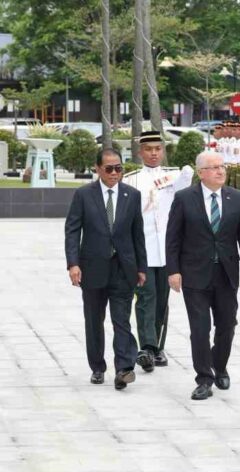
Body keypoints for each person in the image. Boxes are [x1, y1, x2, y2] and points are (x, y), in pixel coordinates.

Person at [165, 150, 240, 401]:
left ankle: (220, 366)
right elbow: (172, 238)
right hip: (194, 274)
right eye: (214, 167)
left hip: (226, 273)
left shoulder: (236, 198)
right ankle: (204, 378)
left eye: (222, 166)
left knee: (227, 325)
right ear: (201, 173)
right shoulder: (185, 198)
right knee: (199, 328)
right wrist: (172, 270)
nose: (220, 171)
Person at [65, 148, 148, 390]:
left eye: (119, 168)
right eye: (109, 168)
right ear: (98, 169)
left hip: (123, 268)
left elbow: (137, 234)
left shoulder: (132, 195)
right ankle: (97, 367)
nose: (114, 173)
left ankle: (124, 368)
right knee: (94, 320)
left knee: (121, 319)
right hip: (92, 268)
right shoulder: (83, 195)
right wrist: (73, 263)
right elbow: (72, 231)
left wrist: (141, 267)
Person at [124, 131, 194, 372]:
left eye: (157, 149)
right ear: (140, 152)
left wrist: (187, 174)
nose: (153, 153)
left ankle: (157, 346)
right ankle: (147, 347)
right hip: (142, 249)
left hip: (167, 249)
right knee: (146, 297)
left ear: (163, 151)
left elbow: (185, 192)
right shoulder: (131, 179)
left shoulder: (174, 175)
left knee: (162, 300)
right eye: (148, 149)